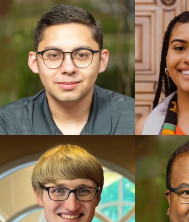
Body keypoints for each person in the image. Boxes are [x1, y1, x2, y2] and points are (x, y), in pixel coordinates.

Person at [0, 5, 134, 135]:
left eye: (82, 55)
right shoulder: (7, 123)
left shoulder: (132, 117)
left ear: (102, 61)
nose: (68, 68)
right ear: (34, 62)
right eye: (53, 55)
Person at [0, 144, 135, 222]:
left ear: (98, 196)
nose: (72, 206)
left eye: (83, 191)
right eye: (58, 190)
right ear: (39, 195)